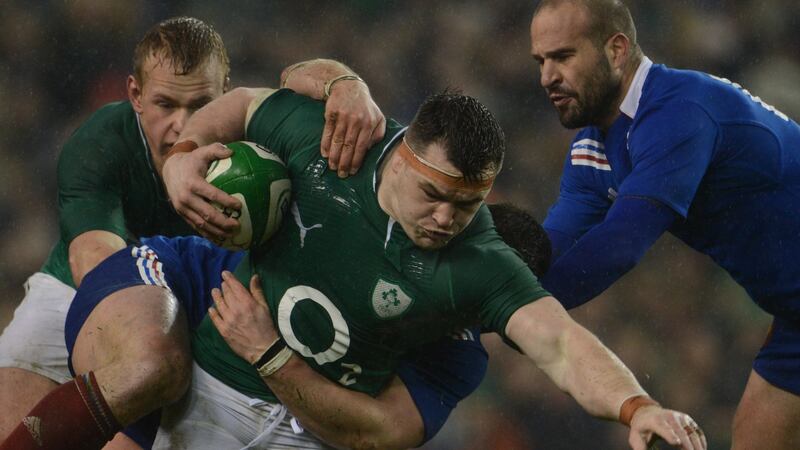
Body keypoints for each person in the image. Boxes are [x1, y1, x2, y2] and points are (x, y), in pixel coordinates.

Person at [152, 87, 705, 450]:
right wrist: (184, 154)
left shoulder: (481, 263)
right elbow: (247, 102)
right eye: (433, 194)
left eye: (466, 206)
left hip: (309, 436)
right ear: (401, 156)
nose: (445, 219)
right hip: (209, 379)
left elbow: (560, 343)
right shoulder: (337, 141)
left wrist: (637, 408)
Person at [0, 16, 385, 448]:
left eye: (200, 103)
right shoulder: (102, 142)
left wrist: (347, 83)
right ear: (135, 95)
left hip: (203, 313)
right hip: (77, 296)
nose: (182, 125)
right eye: (165, 104)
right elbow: (94, 262)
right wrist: (152, 355)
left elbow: (295, 78)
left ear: (225, 93)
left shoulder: (254, 140)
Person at [0, 204, 545, 449]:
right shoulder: (378, 223)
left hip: (252, 382)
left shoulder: (458, 354)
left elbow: (375, 433)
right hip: (180, 289)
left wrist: (271, 355)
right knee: (149, 371)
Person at [528, 1, 800, 448]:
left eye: (563, 57)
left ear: (616, 50)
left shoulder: (678, 111)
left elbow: (620, 245)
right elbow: (551, 250)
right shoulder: (593, 148)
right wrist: (482, 293)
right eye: (541, 61)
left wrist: (506, 309)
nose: (546, 77)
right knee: (756, 434)